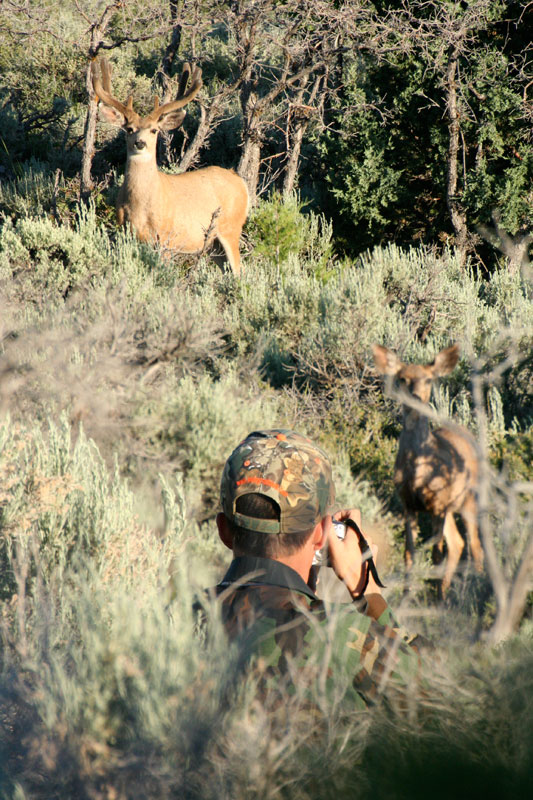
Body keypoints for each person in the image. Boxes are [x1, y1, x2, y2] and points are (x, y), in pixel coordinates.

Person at [210, 428, 420, 707]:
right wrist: (365, 588)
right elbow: (438, 697)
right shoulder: (345, 634)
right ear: (322, 534)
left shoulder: (171, 623)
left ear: (223, 530)